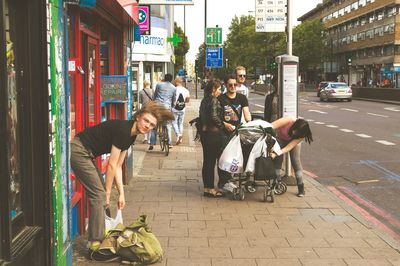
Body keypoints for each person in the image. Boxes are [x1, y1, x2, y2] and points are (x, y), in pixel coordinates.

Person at [70, 101, 174, 259]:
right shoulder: (124, 131)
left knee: (100, 196)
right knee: (99, 195)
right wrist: (107, 191)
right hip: (79, 150)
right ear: (138, 117)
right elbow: (111, 165)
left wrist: (121, 194)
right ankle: (94, 247)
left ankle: (101, 235)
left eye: (152, 125)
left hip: (87, 153)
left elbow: (118, 166)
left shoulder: (131, 136)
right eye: (146, 121)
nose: (147, 126)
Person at [217, 73, 252, 190]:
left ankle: (232, 179)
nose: (233, 87)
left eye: (235, 84)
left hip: (237, 132)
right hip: (223, 132)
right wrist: (224, 124)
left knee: (236, 156)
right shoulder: (220, 99)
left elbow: (247, 114)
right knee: (224, 156)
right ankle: (223, 181)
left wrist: (250, 123)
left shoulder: (242, 98)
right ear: (226, 85)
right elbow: (216, 116)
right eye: (230, 85)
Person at [270, 117, 313, 197]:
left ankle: (301, 187)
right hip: (279, 139)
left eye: (298, 133)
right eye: (295, 130)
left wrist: (276, 153)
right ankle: (276, 183)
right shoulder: (288, 120)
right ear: (294, 124)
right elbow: (271, 126)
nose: (294, 133)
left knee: (295, 162)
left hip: (292, 143)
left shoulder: (301, 135)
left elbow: (288, 147)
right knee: (277, 161)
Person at [199, 79, 225, 197]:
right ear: (213, 89)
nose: (220, 91)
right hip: (214, 135)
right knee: (215, 161)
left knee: (208, 162)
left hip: (205, 134)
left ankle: (207, 188)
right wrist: (223, 125)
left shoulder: (204, 100)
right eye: (219, 89)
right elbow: (214, 117)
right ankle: (211, 189)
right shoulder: (214, 100)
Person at [149, 73, 176, 150]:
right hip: (167, 108)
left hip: (158, 107)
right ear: (171, 79)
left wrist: (153, 103)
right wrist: (172, 107)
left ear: (164, 78)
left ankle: (152, 143)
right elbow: (174, 99)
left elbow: (155, 95)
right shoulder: (174, 88)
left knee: (154, 125)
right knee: (168, 126)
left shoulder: (159, 85)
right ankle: (169, 143)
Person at [172, 77, 190, 145]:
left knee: (174, 123)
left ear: (176, 82)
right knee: (180, 123)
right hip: (182, 109)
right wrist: (183, 102)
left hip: (174, 109)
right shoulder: (186, 90)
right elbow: (188, 100)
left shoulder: (174, 89)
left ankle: (178, 135)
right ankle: (180, 138)